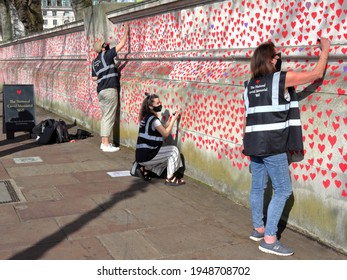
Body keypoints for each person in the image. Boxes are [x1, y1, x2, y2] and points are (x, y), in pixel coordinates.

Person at [242, 37, 330, 256]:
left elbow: (248, 116)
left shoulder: (249, 85)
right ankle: (270, 240)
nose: (279, 58)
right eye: (277, 55)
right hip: (272, 144)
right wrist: (326, 50)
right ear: (270, 60)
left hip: (253, 143)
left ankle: (258, 229)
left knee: (258, 187)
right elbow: (316, 75)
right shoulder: (280, 79)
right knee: (283, 189)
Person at [91, 23, 129, 152]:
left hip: (100, 90)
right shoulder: (106, 55)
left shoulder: (94, 61)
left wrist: (106, 71)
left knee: (105, 116)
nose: (107, 44)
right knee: (108, 117)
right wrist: (126, 31)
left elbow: (94, 77)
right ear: (102, 48)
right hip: (109, 89)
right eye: (104, 44)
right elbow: (122, 44)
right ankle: (106, 144)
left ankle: (104, 143)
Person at [134, 92, 185, 185]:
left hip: (140, 156)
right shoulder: (154, 120)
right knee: (173, 151)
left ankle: (144, 168)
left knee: (165, 156)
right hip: (147, 155)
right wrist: (174, 120)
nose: (160, 105)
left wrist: (171, 119)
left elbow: (162, 127)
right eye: (157, 103)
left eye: (160, 102)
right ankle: (170, 178)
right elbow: (165, 133)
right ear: (150, 106)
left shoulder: (147, 117)